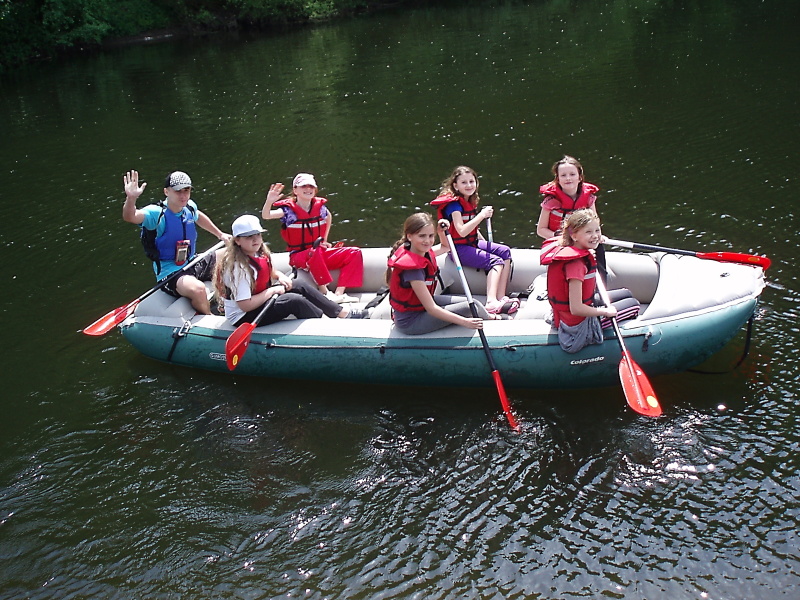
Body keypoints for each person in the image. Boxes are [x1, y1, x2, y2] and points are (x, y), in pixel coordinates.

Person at [213, 215, 368, 327]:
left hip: (258, 302)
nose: (255, 240)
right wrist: (272, 291)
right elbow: (245, 305)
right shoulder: (238, 269)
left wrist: (280, 276)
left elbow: (270, 272)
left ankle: (342, 313)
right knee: (293, 301)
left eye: (257, 235)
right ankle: (328, 325)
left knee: (298, 284)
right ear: (237, 240)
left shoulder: (258, 253)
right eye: (248, 237)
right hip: (244, 316)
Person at [122, 170, 229, 315]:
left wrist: (220, 234)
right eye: (178, 191)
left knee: (234, 251)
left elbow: (198, 216)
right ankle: (209, 317)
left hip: (192, 261)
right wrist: (131, 198)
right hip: (171, 273)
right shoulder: (156, 214)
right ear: (166, 192)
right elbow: (130, 217)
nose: (183, 196)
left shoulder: (189, 207)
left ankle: (230, 299)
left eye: (186, 190)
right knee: (198, 290)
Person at [386, 212, 503, 335]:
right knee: (469, 308)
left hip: (421, 307)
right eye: (422, 236)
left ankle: (491, 317)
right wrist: (465, 322)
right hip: (411, 322)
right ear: (409, 236)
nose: (427, 241)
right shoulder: (413, 270)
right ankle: (494, 319)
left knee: (474, 303)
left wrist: (441, 232)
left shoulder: (424, 253)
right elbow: (432, 308)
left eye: (431, 236)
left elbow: (445, 247)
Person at [540, 209, 639, 353]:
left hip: (579, 308)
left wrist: (589, 249)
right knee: (634, 304)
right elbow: (576, 309)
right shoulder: (576, 265)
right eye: (588, 232)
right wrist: (605, 311)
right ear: (574, 236)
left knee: (626, 293)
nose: (595, 236)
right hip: (578, 324)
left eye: (597, 230)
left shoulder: (574, 249)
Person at [261, 173, 363, 303]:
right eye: (304, 186)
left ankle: (339, 293)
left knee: (354, 252)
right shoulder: (288, 212)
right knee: (314, 253)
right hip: (298, 256)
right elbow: (266, 215)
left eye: (311, 186)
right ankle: (325, 292)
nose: (308, 189)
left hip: (318, 253)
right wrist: (269, 201)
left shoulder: (320, 208)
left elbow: (328, 217)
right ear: (295, 190)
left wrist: (324, 239)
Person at [430, 166, 518, 315]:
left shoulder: (469, 201)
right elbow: (462, 231)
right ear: (455, 186)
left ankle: (500, 296)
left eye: (472, 181)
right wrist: (482, 215)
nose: (469, 185)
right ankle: (491, 302)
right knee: (496, 261)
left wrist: (486, 246)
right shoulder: (454, 206)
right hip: (458, 249)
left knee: (505, 251)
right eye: (464, 182)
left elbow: (472, 230)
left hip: (471, 243)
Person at [536, 155, 607, 278]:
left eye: (572, 174)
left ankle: (600, 280)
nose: (568, 178)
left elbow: (595, 223)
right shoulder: (551, 201)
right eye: (563, 175)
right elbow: (541, 230)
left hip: (583, 240)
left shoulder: (588, 198)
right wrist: (563, 239)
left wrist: (597, 236)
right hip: (560, 241)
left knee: (599, 248)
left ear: (580, 177)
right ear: (558, 179)